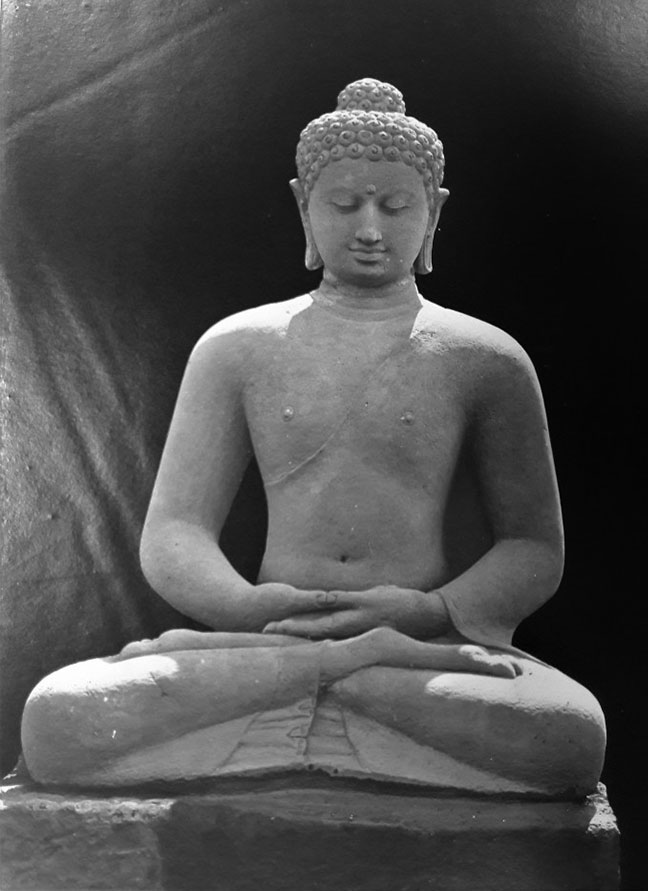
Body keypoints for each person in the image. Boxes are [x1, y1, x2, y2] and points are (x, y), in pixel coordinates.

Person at [21, 79, 606, 796]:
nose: (369, 228)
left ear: (435, 213)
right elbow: (173, 532)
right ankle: (331, 680)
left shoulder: (484, 358)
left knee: (570, 736)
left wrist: (425, 612)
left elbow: (533, 548)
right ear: (303, 203)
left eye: (396, 206)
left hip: (418, 650)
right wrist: (247, 607)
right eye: (343, 203)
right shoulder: (235, 347)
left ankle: (307, 699)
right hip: (266, 639)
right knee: (59, 716)